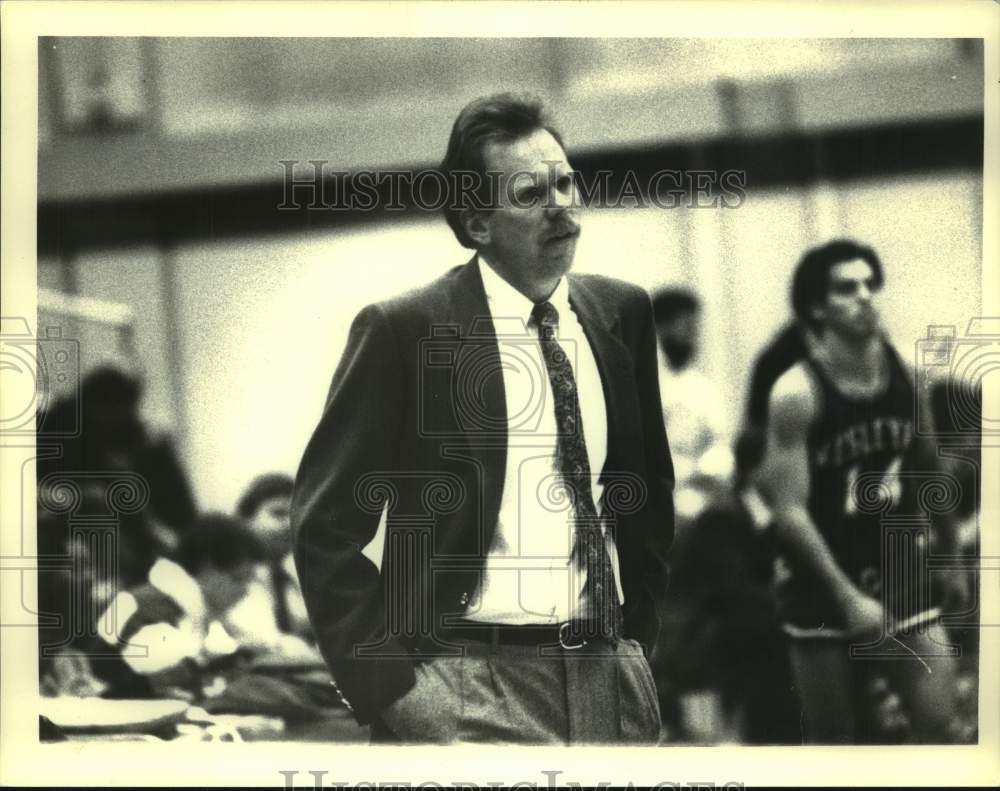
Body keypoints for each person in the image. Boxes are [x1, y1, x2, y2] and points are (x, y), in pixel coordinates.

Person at [292, 93, 675, 744]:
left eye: (566, 182)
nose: (561, 207)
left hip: (609, 672)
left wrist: (638, 639)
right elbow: (324, 527)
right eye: (530, 193)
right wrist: (394, 692)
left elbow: (647, 494)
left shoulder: (622, 313)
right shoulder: (406, 330)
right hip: (469, 682)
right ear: (477, 223)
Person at [758, 239, 963, 743]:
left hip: (898, 566)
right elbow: (788, 511)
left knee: (941, 722)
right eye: (847, 288)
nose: (865, 296)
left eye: (870, 284)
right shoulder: (796, 391)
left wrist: (953, 556)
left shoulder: (908, 380)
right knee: (835, 747)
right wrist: (847, 597)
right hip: (821, 579)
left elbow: (930, 471)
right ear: (816, 307)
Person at [651, 288, 732, 522]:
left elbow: (719, 443)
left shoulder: (703, 389)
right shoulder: (637, 384)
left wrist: (708, 473)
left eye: (694, 328)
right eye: (684, 327)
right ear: (660, 327)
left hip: (700, 493)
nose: (691, 335)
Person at [225, 473, 314, 649]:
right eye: (278, 513)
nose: (290, 524)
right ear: (246, 519)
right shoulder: (230, 573)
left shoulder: (290, 572)